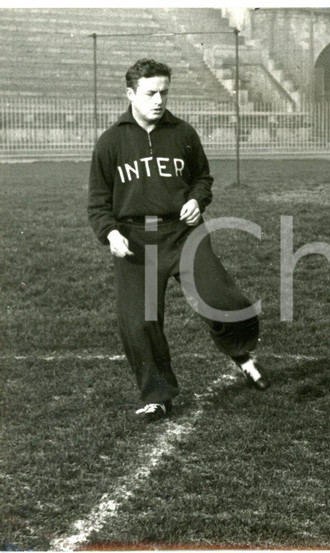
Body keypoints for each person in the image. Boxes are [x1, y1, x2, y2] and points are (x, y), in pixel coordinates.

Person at [88, 58, 269, 422]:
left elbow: (203, 178)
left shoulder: (183, 133)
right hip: (136, 242)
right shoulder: (110, 142)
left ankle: (240, 353)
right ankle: (158, 396)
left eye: (164, 92)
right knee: (140, 323)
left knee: (223, 298)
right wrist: (110, 232)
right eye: (150, 93)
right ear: (130, 94)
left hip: (183, 233)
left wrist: (195, 200)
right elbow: (97, 203)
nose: (159, 100)